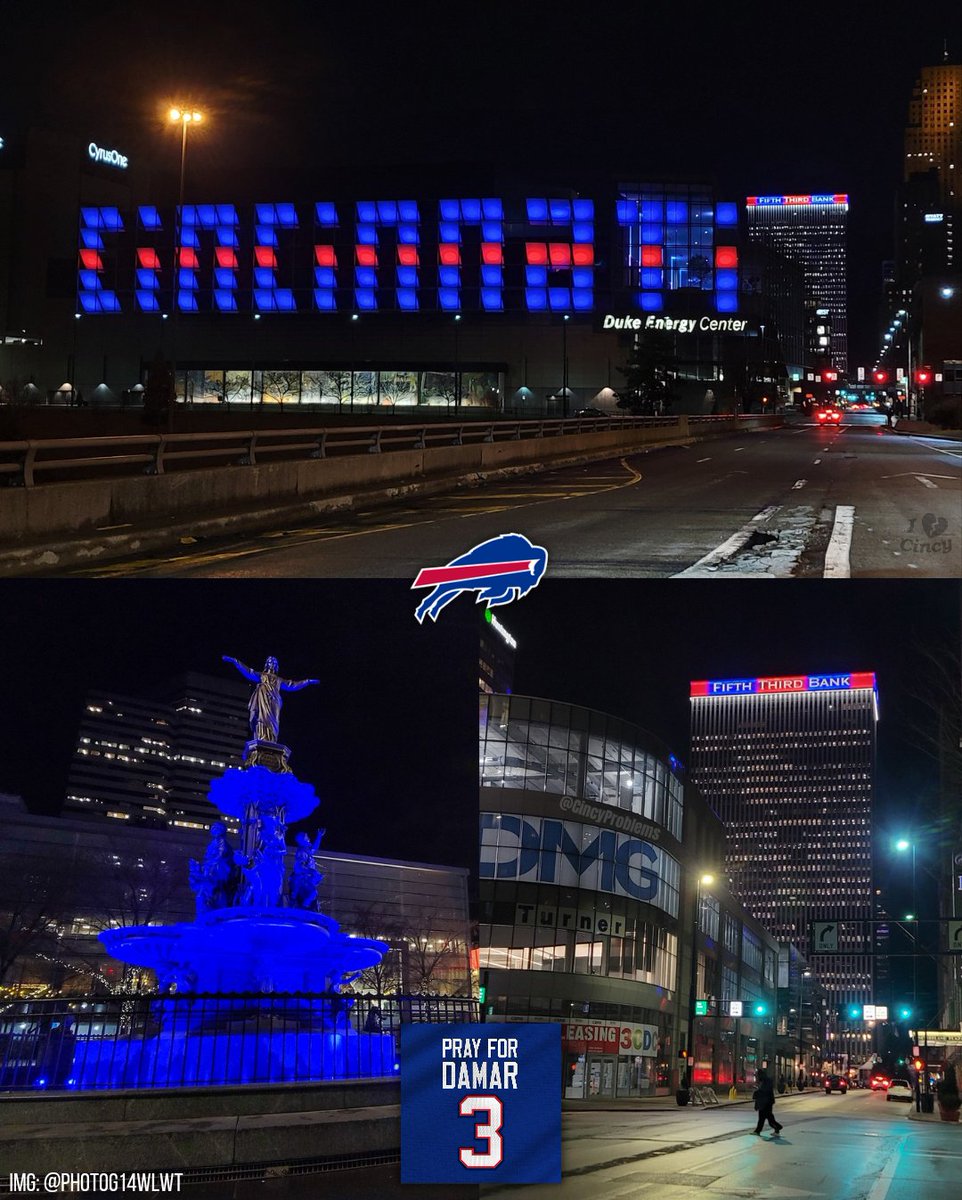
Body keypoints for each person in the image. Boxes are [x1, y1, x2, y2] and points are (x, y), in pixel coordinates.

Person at [752, 1066, 782, 1136]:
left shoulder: (765, 1081)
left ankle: (777, 1127)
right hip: (766, 1102)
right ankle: (759, 1131)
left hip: (765, 1103)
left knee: (766, 1118)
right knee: (766, 1118)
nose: (756, 1078)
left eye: (756, 1076)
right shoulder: (765, 1081)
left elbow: (764, 1091)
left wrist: (757, 1092)